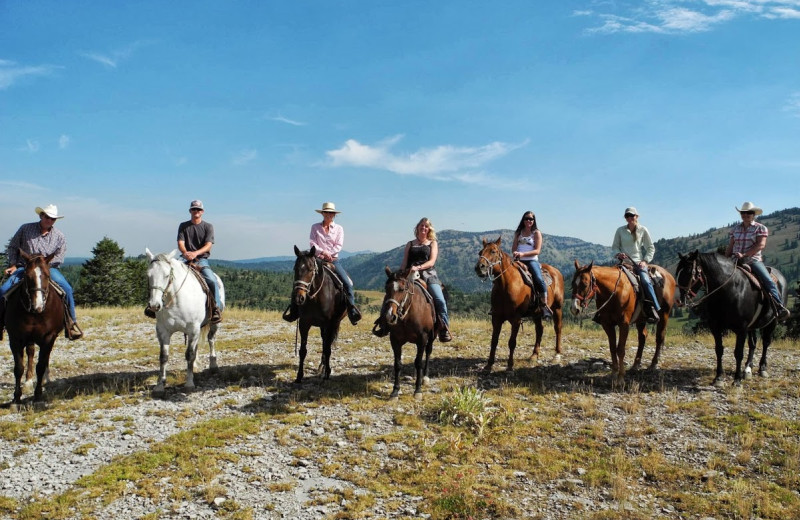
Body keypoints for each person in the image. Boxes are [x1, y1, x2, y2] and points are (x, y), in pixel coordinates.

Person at [0, 204, 83, 340]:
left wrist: (45, 265)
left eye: (52, 219)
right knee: (3, 290)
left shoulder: (59, 236)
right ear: (41, 216)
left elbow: (60, 255)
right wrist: (13, 264)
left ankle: (71, 323)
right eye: (47, 217)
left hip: (47, 268)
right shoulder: (25, 228)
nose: (49, 220)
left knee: (67, 289)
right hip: (25, 267)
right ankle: (1, 323)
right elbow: (13, 246)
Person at [374, 217, 452, 342]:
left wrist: (419, 267)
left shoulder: (432, 243)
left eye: (426, 226)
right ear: (417, 227)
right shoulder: (410, 244)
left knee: (440, 299)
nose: (424, 228)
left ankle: (444, 328)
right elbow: (404, 262)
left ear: (429, 229)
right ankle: (384, 324)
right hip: (409, 274)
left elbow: (431, 261)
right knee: (391, 296)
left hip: (428, 274)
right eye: (422, 225)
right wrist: (400, 274)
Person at [283, 202, 362, 325]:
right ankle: (294, 310)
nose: (329, 215)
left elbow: (339, 245)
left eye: (331, 213)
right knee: (300, 281)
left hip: (333, 260)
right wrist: (323, 252)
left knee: (348, 284)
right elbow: (312, 243)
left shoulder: (339, 229)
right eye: (326, 212)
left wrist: (329, 254)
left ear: (334, 215)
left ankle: (352, 310)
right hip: (316, 259)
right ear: (323, 213)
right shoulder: (315, 227)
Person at [725, 201, 791, 321]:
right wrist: (725, 258)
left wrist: (744, 255)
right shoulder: (735, 229)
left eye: (748, 213)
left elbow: (760, 245)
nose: (745, 215)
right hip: (734, 259)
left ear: (753, 214)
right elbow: (730, 246)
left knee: (768, 281)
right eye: (743, 213)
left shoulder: (760, 228)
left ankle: (779, 306)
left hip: (752, 260)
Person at [611, 206, 660, 323]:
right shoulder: (620, 230)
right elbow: (615, 247)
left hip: (638, 263)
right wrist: (618, 254)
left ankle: (654, 307)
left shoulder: (643, 230)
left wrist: (645, 261)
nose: (629, 218)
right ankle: (605, 312)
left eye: (631, 215)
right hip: (623, 263)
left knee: (646, 281)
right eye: (627, 216)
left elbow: (650, 248)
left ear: (636, 216)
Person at [177, 200, 222, 324]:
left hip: (200, 259)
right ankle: (158, 306)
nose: (196, 211)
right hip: (184, 257)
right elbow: (180, 243)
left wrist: (195, 253)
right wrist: (186, 253)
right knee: (167, 274)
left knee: (211, 280)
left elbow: (208, 245)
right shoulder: (183, 225)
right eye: (193, 209)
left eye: (198, 209)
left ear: (202, 212)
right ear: (190, 211)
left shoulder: (208, 226)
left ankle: (216, 308)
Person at [512, 211, 552, 319]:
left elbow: (537, 251)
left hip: (531, 260)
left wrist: (523, 254)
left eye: (531, 219)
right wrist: (516, 254)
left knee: (539, 279)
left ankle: (544, 305)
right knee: (503, 275)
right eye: (526, 218)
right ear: (523, 220)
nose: (529, 221)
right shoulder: (518, 232)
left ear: (534, 221)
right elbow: (514, 248)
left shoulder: (536, 233)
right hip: (518, 261)